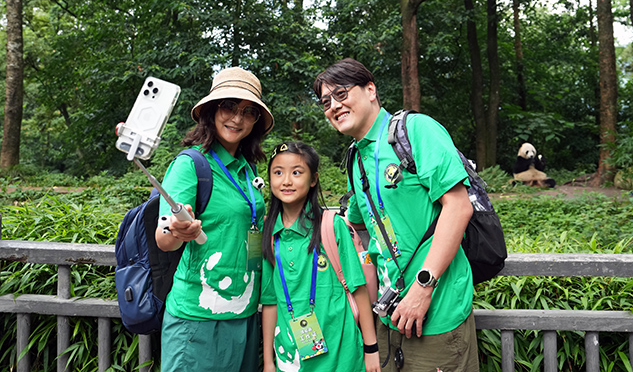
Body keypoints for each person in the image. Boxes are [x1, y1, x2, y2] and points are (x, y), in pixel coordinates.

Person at [313, 58, 479, 372]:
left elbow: (459, 207)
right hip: (389, 316)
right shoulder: (356, 158)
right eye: (325, 102)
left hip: (437, 313)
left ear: (370, 90)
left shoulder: (415, 131)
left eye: (341, 94)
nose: (333, 105)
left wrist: (423, 288)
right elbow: (357, 223)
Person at [155, 67, 274, 372]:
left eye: (248, 112)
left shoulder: (248, 169)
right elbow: (164, 238)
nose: (237, 118)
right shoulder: (190, 164)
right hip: (197, 319)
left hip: (245, 313)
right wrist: (178, 231)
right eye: (229, 106)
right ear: (211, 110)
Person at [260, 141, 381, 372]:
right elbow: (270, 302)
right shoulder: (270, 233)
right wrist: (268, 362)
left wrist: (371, 348)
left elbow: (358, 289)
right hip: (290, 359)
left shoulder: (331, 226)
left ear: (313, 179)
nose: (286, 181)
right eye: (278, 172)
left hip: (342, 357)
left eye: (297, 172)